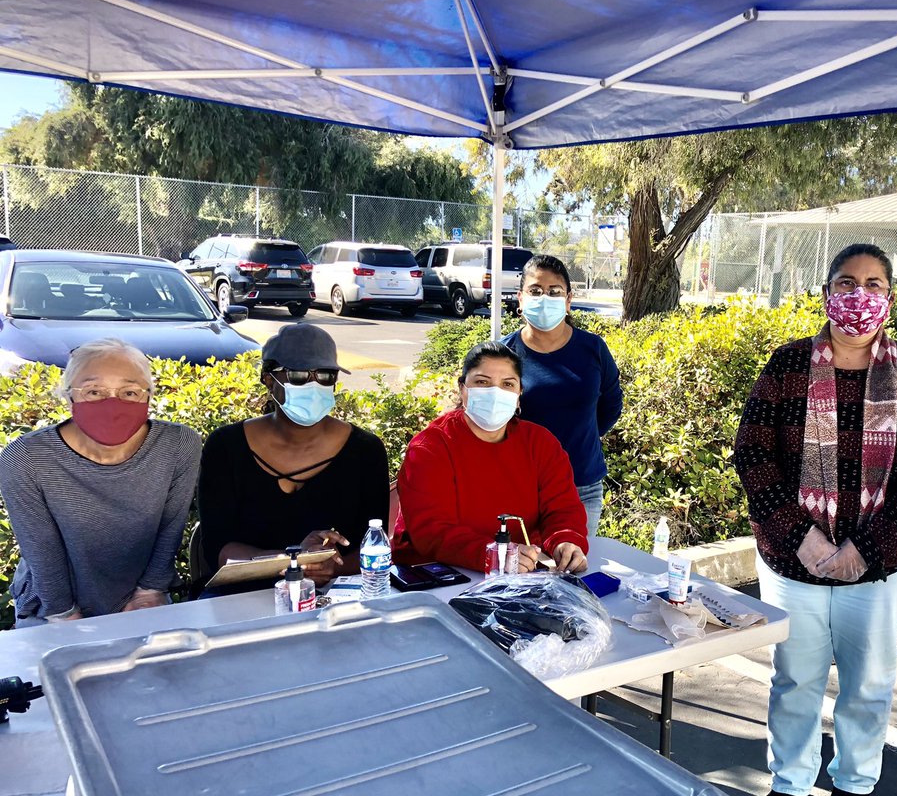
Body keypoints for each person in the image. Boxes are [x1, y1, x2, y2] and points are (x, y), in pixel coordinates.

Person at [734, 244, 897, 796]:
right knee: (795, 676)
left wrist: (867, 549)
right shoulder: (787, 365)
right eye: (847, 282)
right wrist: (799, 538)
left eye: (874, 283)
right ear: (827, 292)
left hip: (879, 565)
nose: (860, 294)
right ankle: (791, 781)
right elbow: (752, 455)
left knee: (868, 680)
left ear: (891, 296)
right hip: (792, 560)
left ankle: (854, 782)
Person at [0, 338, 200, 625]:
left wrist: (150, 591)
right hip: (51, 604)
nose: (113, 403)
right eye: (94, 391)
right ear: (70, 396)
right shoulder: (26, 458)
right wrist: (65, 615)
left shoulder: (179, 443)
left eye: (129, 392)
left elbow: (171, 526)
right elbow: (41, 549)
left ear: (148, 397)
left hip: (142, 596)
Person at [198, 324, 389, 590]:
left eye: (325, 375)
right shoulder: (226, 447)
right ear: (268, 379)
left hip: (332, 596)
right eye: (298, 375)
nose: (314, 384)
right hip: (241, 596)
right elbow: (219, 550)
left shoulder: (366, 451)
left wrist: (331, 566)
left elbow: (372, 545)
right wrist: (293, 560)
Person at [394, 340, 588, 573]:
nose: (495, 393)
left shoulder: (541, 443)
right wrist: (494, 554)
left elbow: (562, 510)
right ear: (462, 389)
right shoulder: (431, 447)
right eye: (482, 382)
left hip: (522, 576)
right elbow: (432, 531)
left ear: (519, 395)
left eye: (507, 384)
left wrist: (566, 541)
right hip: (435, 575)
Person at [501, 253, 622, 536]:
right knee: (521, 572)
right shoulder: (504, 354)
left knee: (574, 568)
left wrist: (582, 433)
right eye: (535, 291)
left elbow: (611, 404)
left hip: (582, 487)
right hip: (522, 487)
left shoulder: (593, 348)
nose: (544, 297)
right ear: (520, 299)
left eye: (555, 291)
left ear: (568, 301)